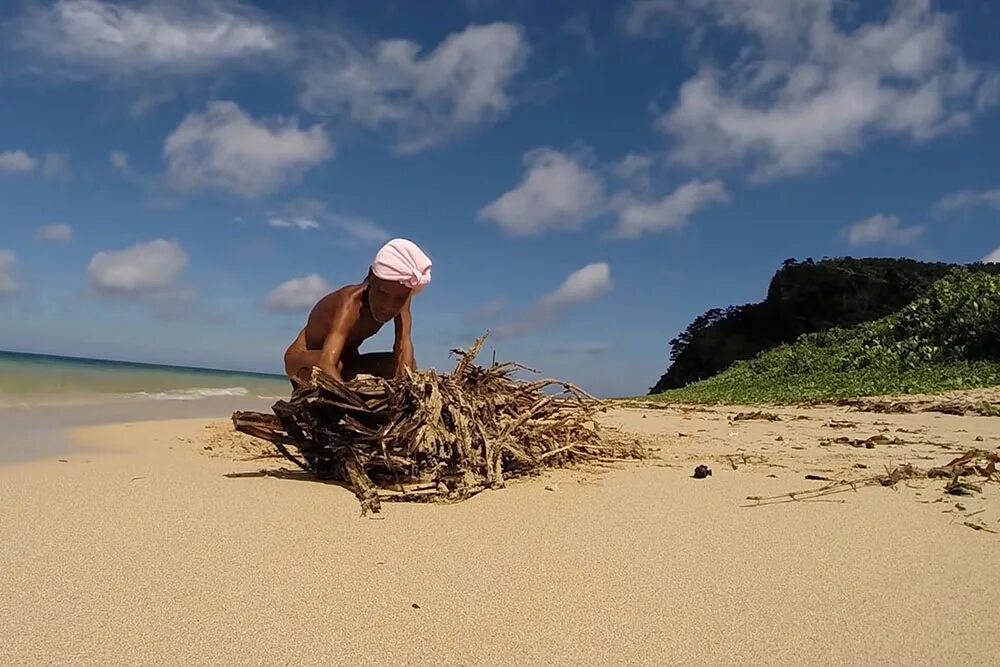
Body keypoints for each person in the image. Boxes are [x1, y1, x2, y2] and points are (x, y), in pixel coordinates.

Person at [283, 238, 432, 388]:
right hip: (303, 359)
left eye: (399, 298)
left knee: (404, 364)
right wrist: (356, 405)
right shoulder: (350, 304)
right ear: (371, 277)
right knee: (335, 367)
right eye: (382, 293)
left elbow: (403, 345)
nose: (388, 306)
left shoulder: (401, 299)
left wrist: (405, 391)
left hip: (347, 361)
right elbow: (326, 362)